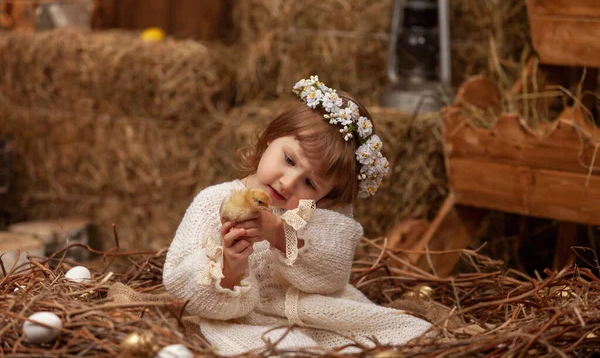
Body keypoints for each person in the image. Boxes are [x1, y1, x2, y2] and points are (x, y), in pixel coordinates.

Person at [163, 76, 431, 355]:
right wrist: (230, 266)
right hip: (247, 322)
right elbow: (180, 284)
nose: (289, 182)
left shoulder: (316, 214)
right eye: (289, 160)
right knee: (291, 351)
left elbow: (333, 272)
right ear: (270, 139)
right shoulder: (213, 202)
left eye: (311, 183)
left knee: (408, 337)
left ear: (326, 195)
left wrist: (278, 232)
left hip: (322, 315)